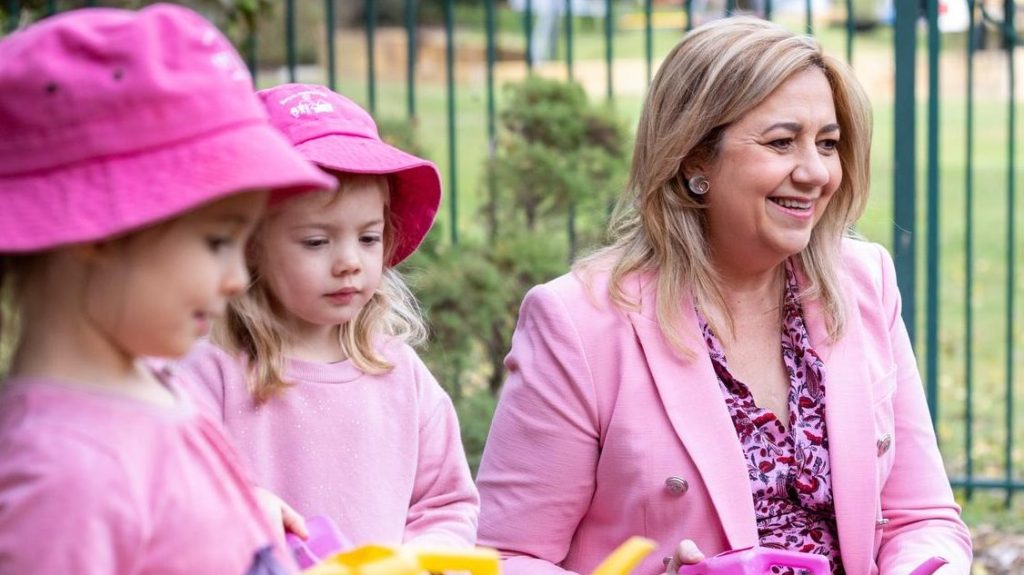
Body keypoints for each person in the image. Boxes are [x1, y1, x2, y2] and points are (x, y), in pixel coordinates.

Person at [474, 16, 972, 575]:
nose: (816, 172)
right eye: (781, 142)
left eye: (828, 144)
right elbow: (505, 558)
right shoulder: (579, 321)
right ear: (694, 158)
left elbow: (922, 518)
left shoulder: (864, 282)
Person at [0, 5, 337, 574]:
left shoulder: (146, 389)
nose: (238, 278)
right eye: (218, 241)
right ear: (100, 232)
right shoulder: (65, 480)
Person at [180, 83, 479, 548]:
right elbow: (171, 498)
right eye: (317, 242)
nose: (349, 263)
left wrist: (423, 558)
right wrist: (241, 510)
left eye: (369, 238)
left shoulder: (400, 374)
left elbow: (446, 505)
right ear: (250, 244)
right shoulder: (209, 374)